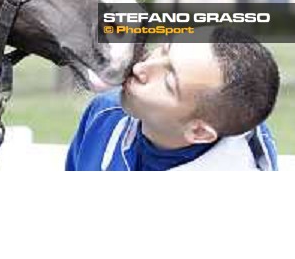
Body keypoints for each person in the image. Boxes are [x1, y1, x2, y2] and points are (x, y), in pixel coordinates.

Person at [66, 27, 280, 171]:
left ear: (198, 131)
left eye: (169, 82)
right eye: (163, 50)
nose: (140, 68)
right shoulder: (106, 114)